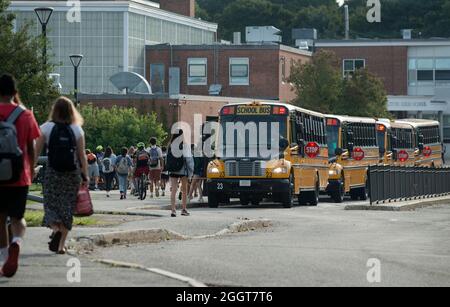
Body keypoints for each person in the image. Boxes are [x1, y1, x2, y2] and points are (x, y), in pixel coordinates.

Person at [35, 96, 89, 255]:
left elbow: (36, 152)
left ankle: (55, 228)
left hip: (53, 171)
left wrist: (31, 168)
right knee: (67, 208)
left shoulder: (46, 127)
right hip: (72, 173)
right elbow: (82, 155)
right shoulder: (77, 129)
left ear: (55, 110)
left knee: (50, 204)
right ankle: (61, 246)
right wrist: (85, 175)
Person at [0, 74, 41, 278]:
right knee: (18, 219)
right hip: (19, 175)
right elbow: (32, 148)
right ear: (15, 93)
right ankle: (16, 242)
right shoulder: (25, 115)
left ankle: (4, 258)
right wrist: (30, 170)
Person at [166, 129, 194, 217]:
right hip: (183, 170)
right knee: (184, 190)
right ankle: (184, 209)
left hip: (173, 170)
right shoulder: (185, 145)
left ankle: (173, 210)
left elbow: (167, 159)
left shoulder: (170, 145)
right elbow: (189, 160)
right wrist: (191, 173)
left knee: (173, 190)